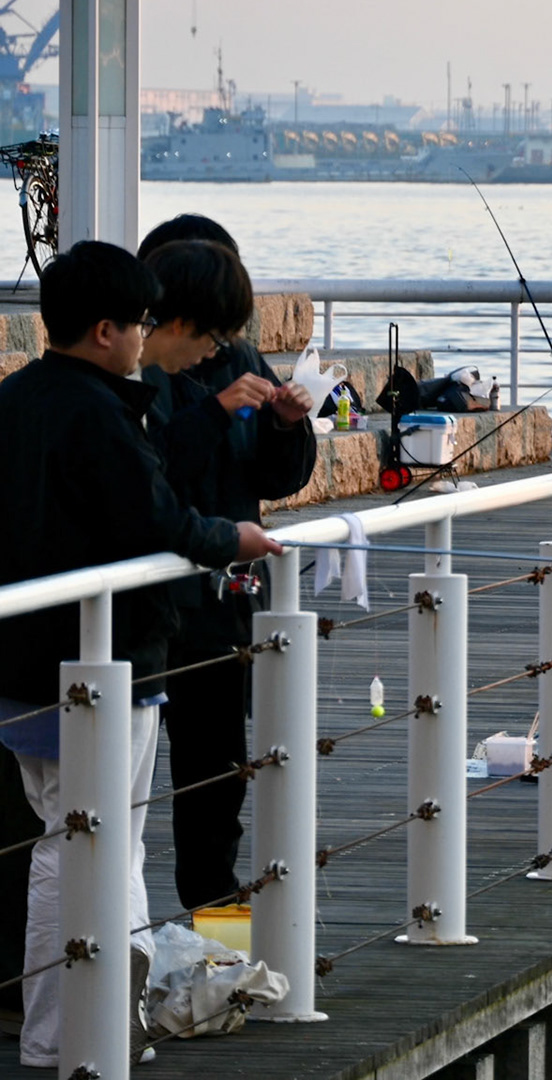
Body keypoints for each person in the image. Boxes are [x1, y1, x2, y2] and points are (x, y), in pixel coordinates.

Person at [0, 241, 279, 1066]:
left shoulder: (18, 399)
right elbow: (154, 514)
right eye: (141, 323)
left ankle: (75, 1027)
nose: (147, 338)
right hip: (101, 662)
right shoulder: (100, 409)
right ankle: (80, 1034)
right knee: (95, 844)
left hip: (23, 662)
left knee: (67, 834)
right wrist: (232, 537)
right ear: (104, 330)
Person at [136, 222, 317, 913]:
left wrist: (286, 423)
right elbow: (149, 479)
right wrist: (214, 412)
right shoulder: (142, 373)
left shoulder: (240, 355)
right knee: (111, 793)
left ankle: (219, 945)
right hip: (152, 606)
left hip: (222, 608)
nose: (216, 346)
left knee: (218, 787)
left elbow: (277, 479)